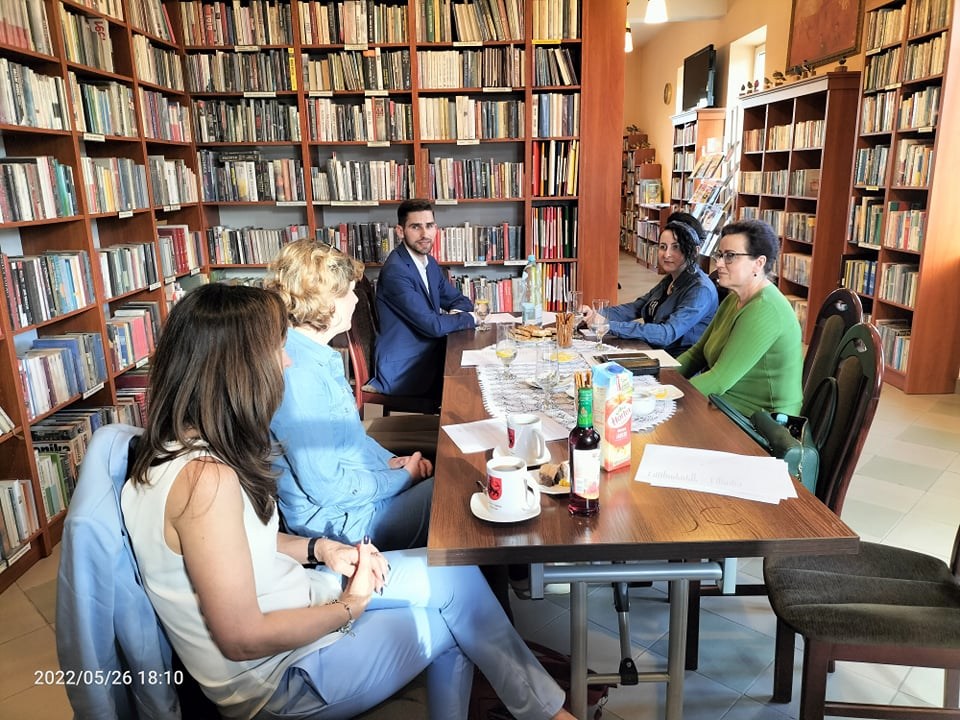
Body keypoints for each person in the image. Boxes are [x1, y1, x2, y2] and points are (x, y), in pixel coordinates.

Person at [121, 283, 576, 720]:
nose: (286, 362)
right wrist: (350, 607)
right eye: (276, 350)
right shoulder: (206, 481)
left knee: (452, 575)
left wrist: (320, 549)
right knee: (456, 623)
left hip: (298, 597)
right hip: (281, 676)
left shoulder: (173, 454)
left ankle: (547, 711)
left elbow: (236, 545)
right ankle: (548, 710)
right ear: (238, 368)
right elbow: (242, 638)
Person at [265, 239, 433, 550]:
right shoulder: (298, 374)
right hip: (344, 524)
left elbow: (350, 439)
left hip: (357, 502)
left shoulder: (314, 354)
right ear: (323, 300)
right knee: (460, 496)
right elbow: (327, 488)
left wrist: (391, 462)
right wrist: (403, 478)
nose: (355, 300)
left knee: (463, 485)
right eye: (348, 292)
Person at [677, 219, 803, 416]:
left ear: (758, 263)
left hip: (761, 421)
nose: (719, 263)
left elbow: (719, 380)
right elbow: (697, 354)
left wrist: (665, 397)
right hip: (726, 405)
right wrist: (662, 379)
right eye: (720, 254)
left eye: (730, 256)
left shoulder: (765, 309)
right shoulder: (734, 298)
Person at [370, 198, 475, 401]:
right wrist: (471, 318)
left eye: (429, 226)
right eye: (415, 227)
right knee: (469, 386)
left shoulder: (429, 263)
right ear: (400, 231)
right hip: (405, 368)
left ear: (436, 228)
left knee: (478, 369)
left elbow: (460, 300)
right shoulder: (396, 271)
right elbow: (433, 326)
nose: (424, 234)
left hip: (428, 353)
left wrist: (454, 315)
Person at [581, 212, 717, 355]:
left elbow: (666, 334)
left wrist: (608, 325)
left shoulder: (700, 290)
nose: (667, 254)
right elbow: (636, 307)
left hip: (676, 361)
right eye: (663, 247)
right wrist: (595, 314)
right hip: (654, 350)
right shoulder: (671, 278)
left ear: (694, 251)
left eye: (676, 247)